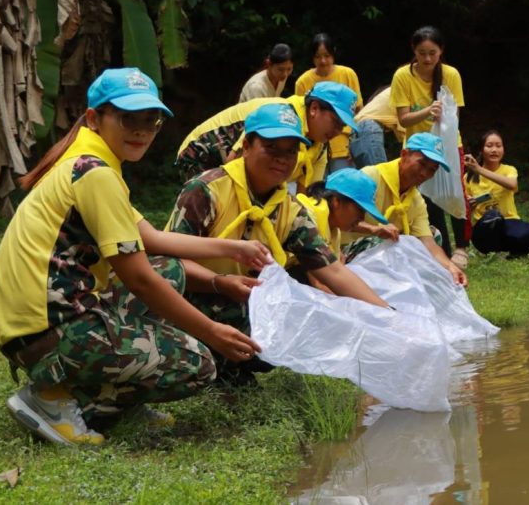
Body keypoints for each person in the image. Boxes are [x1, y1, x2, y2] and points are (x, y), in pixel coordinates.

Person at [0, 68, 266, 447]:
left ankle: (114, 392)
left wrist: (232, 251)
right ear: (94, 119)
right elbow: (139, 280)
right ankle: (61, 399)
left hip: (35, 326)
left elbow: (149, 239)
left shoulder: (91, 163)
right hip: (45, 333)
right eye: (128, 118)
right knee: (196, 364)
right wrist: (211, 331)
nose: (141, 130)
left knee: (169, 271)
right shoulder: (95, 173)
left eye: (151, 121)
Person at [165, 104, 390, 384]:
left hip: (242, 295)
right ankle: (212, 359)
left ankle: (234, 366)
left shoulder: (289, 208)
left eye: (290, 151)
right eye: (272, 148)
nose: (282, 160)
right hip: (192, 297)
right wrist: (219, 282)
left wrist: (387, 316)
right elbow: (168, 262)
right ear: (246, 145)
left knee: (303, 320)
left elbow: (332, 270)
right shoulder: (207, 191)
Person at [174, 81, 358, 191]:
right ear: (315, 108)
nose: (336, 132)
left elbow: (307, 196)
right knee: (215, 209)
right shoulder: (281, 115)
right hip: (202, 152)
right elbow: (234, 164)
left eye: (342, 127)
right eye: (335, 122)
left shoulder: (319, 147)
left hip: (234, 165)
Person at [342, 132, 469, 287]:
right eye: (422, 164)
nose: (424, 174)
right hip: (346, 251)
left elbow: (427, 241)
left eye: (432, 170)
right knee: (384, 242)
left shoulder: (416, 199)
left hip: (383, 252)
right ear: (404, 154)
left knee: (434, 235)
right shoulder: (370, 176)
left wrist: (450, 267)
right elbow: (337, 217)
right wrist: (374, 230)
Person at [391, 26, 470, 269]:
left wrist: (442, 114)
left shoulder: (451, 75)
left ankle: (462, 248)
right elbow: (403, 119)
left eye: (432, 53)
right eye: (422, 53)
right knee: (427, 199)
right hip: (417, 148)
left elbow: (454, 115)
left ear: (441, 51)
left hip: (447, 144)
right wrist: (428, 111)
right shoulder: (403, 76)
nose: (427, 59)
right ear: (413, 51)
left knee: (455, 192)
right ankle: (442, 250)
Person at [296, 168, 391, 290]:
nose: (361, 218)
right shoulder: (310, 217)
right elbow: (320, 284)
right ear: (336, 201)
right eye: (360, 210)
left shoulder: (335, 230)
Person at [294, 34, 364, 175]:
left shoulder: (348, 74)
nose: (323, 61)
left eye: (327, 55)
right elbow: (300, 118)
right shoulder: (303, 82)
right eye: (318, 56)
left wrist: (355, 144)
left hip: (342, 146)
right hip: (313, 147)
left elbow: (359, 112)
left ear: (333, 53)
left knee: (342, 188)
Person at [463, 130, 529, 256]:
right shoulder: (469, 177)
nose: (494, 150)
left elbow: (512, 184)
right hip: (483, 228)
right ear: (481, 150)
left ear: (503, 150)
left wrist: (479, 169)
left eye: (498, 146)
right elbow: (464, 213)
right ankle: (491, 250)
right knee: (493, 216)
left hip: (509, 222)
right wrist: (469, 206)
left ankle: (515, 252)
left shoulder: (509, 170)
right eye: (489, 146)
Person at [351, 86, 405, 169]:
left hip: (356, 130)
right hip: (370, 128)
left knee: (367, 178)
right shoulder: (407, 92)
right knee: (379, 175)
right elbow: (407, 134)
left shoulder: (395, 89)